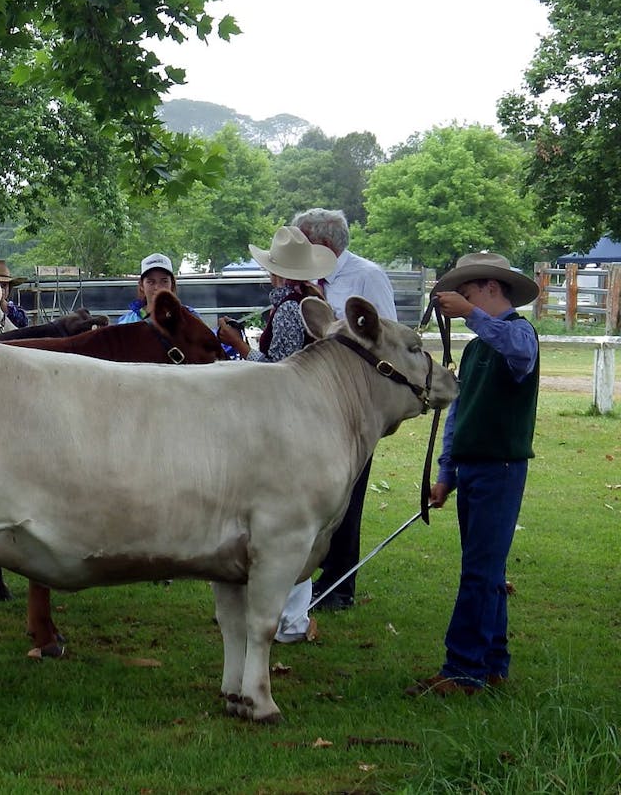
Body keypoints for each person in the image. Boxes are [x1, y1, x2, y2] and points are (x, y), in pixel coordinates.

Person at [405, 252, 540, 697]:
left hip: (501, 468)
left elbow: (518, 349)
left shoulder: (518, 333)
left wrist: (473, 316)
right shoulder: (479, 345)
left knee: (480, 572)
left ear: (490, 288)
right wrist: (446, 473)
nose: (460, 304)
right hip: (475, 468)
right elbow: (459, 415)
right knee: (486, 569)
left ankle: (464, 669)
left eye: (467, 294)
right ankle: (492, 662)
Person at [216, 226, 337, 644]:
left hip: (287, 418)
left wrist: (238, 345)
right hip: (309, 414)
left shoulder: (289, 308)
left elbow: (279, 367)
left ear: (276, 273)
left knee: (287, 515)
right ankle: (292, 617)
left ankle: (289, 619)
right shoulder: (314, 302)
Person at [292, 209, 398, 611]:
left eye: (303, 243)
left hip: (352, 405)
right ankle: (309, 578)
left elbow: (386, 339)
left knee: (347, 495)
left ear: (323, 245)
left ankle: (339, 585)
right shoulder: (302, 279)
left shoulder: (367, 277)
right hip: (308, 402)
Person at [115, 254, 178, 325]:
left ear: (172, 284)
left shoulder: (189, 318)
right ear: (142, 285)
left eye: (164, 281)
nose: (158, 287)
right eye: (151, 282)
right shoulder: (126, 323)